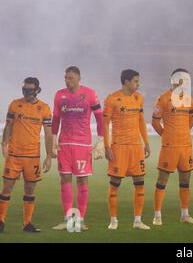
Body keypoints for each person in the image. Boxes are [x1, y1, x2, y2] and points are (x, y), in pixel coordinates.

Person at [52, 66, 105, 231]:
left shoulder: (90, 93)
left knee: (82, 180)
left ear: (79, 78)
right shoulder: (60, 95)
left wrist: (101, 140)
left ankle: (80, 220)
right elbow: (56, 118)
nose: (67, 81)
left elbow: (99, 118)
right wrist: (54, 138)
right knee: (65, 179)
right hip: (64, 144)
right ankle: (68, 219)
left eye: (70, 78)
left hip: (83, 144)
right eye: (66, 78)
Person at [0, 77, 53, 232]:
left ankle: (27, 223)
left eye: (29, 90)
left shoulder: (44, 108)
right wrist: (4, 144)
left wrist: (49, 156)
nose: (26, 93)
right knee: (6, 188)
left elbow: (48, 134)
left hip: (32, 157)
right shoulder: (15, 104)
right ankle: (1, 221)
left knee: (30, 190)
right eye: (24, 90)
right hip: (14, 155)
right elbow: (8, 126)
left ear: (37, 90)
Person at [104, 69, 151, 230]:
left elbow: (141, 121)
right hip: (119, 148)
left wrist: (146, 142)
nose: (138, 84)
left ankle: (137, 220)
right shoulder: (112, 99)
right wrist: (106, 146)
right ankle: (113, 220)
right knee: (114, 184)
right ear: (126, 81)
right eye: (136, 81)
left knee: (140, 183)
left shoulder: (138, 98)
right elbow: (105, 124)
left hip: (136, 148)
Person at [151, 68, 193, 225]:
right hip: (170, 146)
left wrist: (183, 133)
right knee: (162, 180)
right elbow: (155, 122)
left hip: (185, 146)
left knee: (185, 181)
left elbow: (191, 120)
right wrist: (166, 136)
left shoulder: (189, 100)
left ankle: (185, 215)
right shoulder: (163, 99)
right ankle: (157, 215)